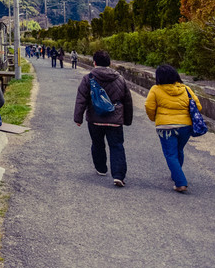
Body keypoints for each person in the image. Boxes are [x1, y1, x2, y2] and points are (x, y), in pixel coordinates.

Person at [74, 50, 133, 187]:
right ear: (109, 63)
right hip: (115, 119)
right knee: (117, 146)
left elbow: (81, 99)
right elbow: (128, 101)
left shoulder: (88, 78)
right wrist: (127, 120)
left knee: (97, 143)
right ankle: (118, 176)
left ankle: (101, 168)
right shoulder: (120, 78)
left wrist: (78, 118)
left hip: (95, 118)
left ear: (94, 63)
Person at [145, 63, 202, 193]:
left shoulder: (156, 89)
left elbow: (149, 106)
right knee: (178, 150)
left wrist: (154, 118)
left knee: (170, 154)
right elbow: (198, 106)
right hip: (185, 127)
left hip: (165, 127)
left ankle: (180, 182)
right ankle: (176, 173)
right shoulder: (186, 89)